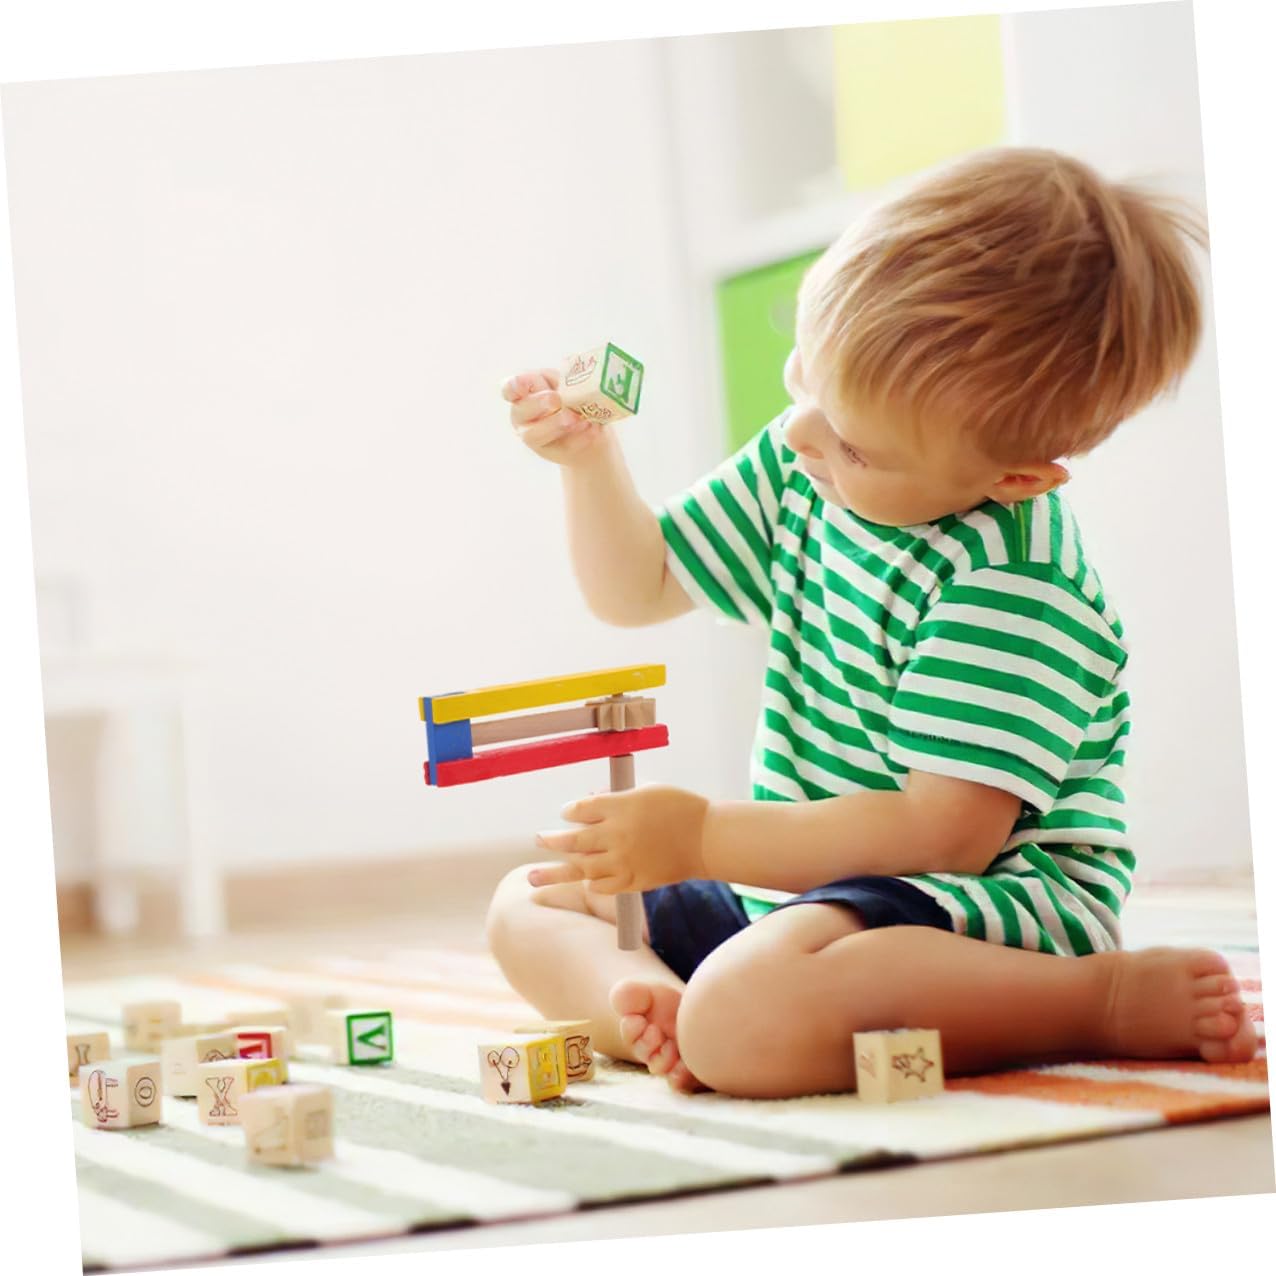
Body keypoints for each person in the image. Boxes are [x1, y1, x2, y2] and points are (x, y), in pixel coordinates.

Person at [486, 148, 1257, 1099]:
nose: (800, 434)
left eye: (851, 444)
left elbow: (941, 838)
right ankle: (660, 1009)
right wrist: (588, 463)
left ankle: (1098, 999)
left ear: (1015, 478)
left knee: (752, 1006)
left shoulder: (1012, 585)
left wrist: (705, 837)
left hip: (978, 912)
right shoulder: (813, 460)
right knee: (531, 900)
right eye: (803, 378)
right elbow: (638, 587)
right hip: (802, 898)